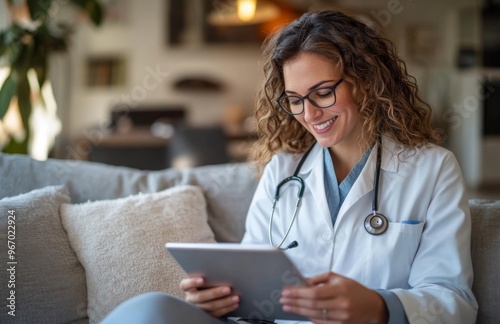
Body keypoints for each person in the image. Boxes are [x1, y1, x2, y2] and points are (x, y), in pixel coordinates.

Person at [102, 9, 478, 324]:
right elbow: (251, 278)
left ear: (364, 81)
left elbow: (454, 300)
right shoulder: (283, 172)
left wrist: (381, 307)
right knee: (149, 309)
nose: (309, 114)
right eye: (295, 99)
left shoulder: (433, 169)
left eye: (323, 93)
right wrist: (222, 301)